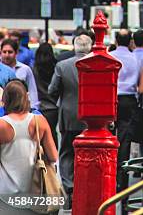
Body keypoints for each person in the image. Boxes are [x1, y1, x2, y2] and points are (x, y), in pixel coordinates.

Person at [0, 80, 58, 212]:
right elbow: (54, 156)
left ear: (5, 100)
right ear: (26, 98)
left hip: (5, 194)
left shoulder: (1, 124)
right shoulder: (39, 121)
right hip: (35, 190)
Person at [48, 33, 92, 203]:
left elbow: (52, 90)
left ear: (74, 46)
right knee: (88, 154)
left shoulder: (62, 66)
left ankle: (69, 187)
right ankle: (85, 186)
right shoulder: (95, 65)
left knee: (66, 152)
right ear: (89, 47)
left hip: (68, 115)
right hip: (90, 117)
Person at [110, 30, 143, 192]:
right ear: (130, 41)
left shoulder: (111, 56)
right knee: (124, 141)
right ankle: (121, 180)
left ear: (116, 40)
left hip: (111, 98)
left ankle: (109, 174)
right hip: (129, 100)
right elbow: (139, 82)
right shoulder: (135, 59)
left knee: (108, 138)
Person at [33, 43, 58, 148]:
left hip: (40, 107)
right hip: (53, 107)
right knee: (52, 133)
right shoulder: (56, 68)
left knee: (39, 135)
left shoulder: (34, 69)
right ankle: (53, 157)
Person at [1, 39, 39, 109]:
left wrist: (34, 109)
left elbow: (32, 91)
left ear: (16, 53)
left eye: (10, 52)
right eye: (4, 52)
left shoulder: (25, 69)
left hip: (21, 110)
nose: (7, 55)